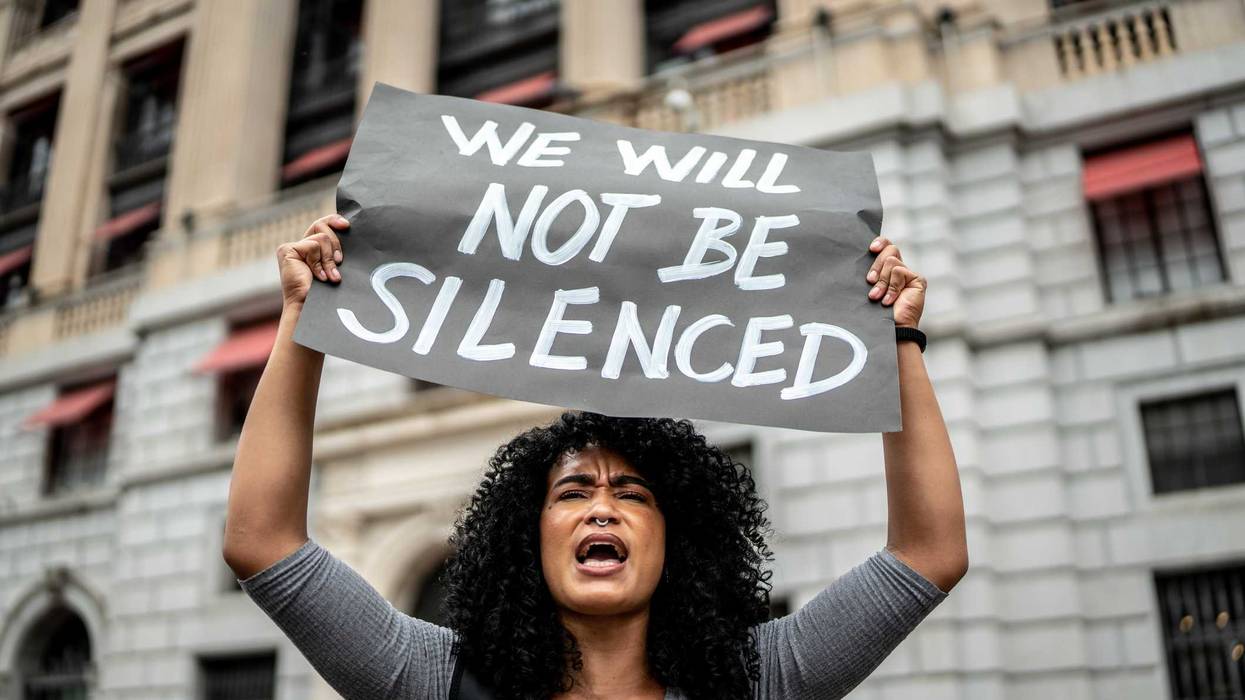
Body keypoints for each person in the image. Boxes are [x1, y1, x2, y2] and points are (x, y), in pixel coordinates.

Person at [223, 214, 967, 700]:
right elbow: (263, 544)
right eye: (573, 492)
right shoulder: (435, 681)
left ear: (679, 541)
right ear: (528, 535)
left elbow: (928, 554)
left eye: (634, 495)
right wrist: (300, 318)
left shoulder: (754, 681)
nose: (603, 506)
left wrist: (895, 343)